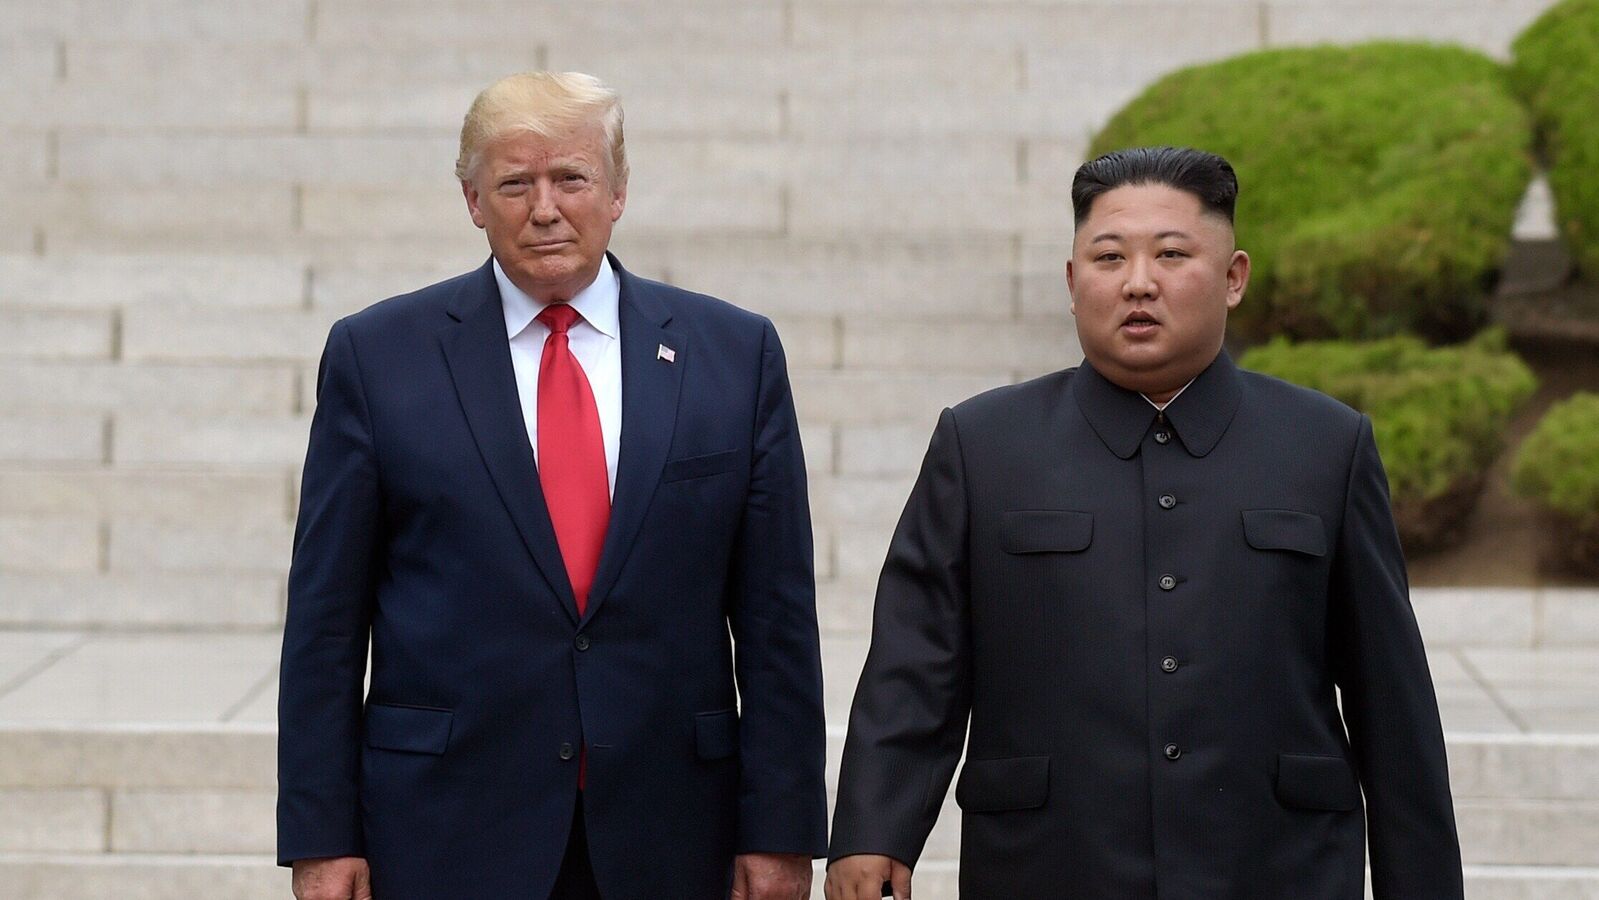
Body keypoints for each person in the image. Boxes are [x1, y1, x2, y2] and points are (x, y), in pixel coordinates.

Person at [825, 147, 1464, 899]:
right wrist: (872, 831)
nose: (1137, 282)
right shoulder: (983, 445)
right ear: (1071, 283)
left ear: (1232, 279)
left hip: (1273, 866)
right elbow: (915, 661)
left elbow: (1389, 696)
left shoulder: (1324, 446)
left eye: (1170, 254)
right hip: (1049, 863)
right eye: (1107, 256)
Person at [277, 71, 827, 900]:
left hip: (673, 829)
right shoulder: (378, 356)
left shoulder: (733, 356)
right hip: (443, 829)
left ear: (617, 192)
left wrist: (780, 830)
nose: (544, 208)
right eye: (513, 183)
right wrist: (321, 838)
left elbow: (777, 618)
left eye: (570, 178)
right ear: (471, 201)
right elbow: (325, 621)